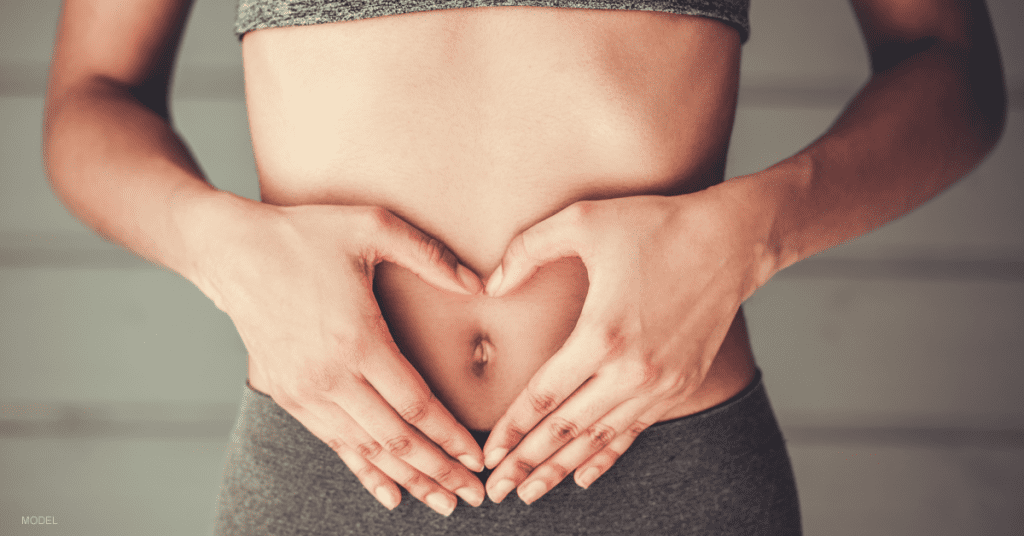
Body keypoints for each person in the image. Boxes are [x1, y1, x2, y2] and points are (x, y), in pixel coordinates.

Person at [43, 0, 1005, 533]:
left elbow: (949, 68)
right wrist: (223, 248)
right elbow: (92, 95)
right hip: (337, 467)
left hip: (663, 466)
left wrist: (755, 231)